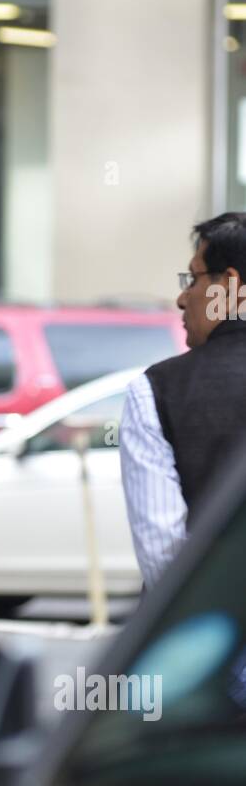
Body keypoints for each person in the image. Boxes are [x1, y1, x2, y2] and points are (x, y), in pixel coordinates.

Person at [120, 212, 246, 588]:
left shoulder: (157, 390)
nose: (181, 298)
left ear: (230, 285)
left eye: (193, 279)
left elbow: (164, 559)